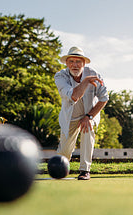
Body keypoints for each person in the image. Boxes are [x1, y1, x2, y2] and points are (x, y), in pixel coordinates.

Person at [54, 46, 109, 180]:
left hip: (88, 113)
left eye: (78, 62)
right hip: (70, 116)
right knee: (64, 152)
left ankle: (85, 170)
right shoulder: (60, 76)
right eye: (71, 61)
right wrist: (85, 82)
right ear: (66, 63)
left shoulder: (95, 75)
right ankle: (61, 169)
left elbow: (104, 98)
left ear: (84, 63)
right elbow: (74, 96)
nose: (75, 65)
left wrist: (89, 116)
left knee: (87, 128)